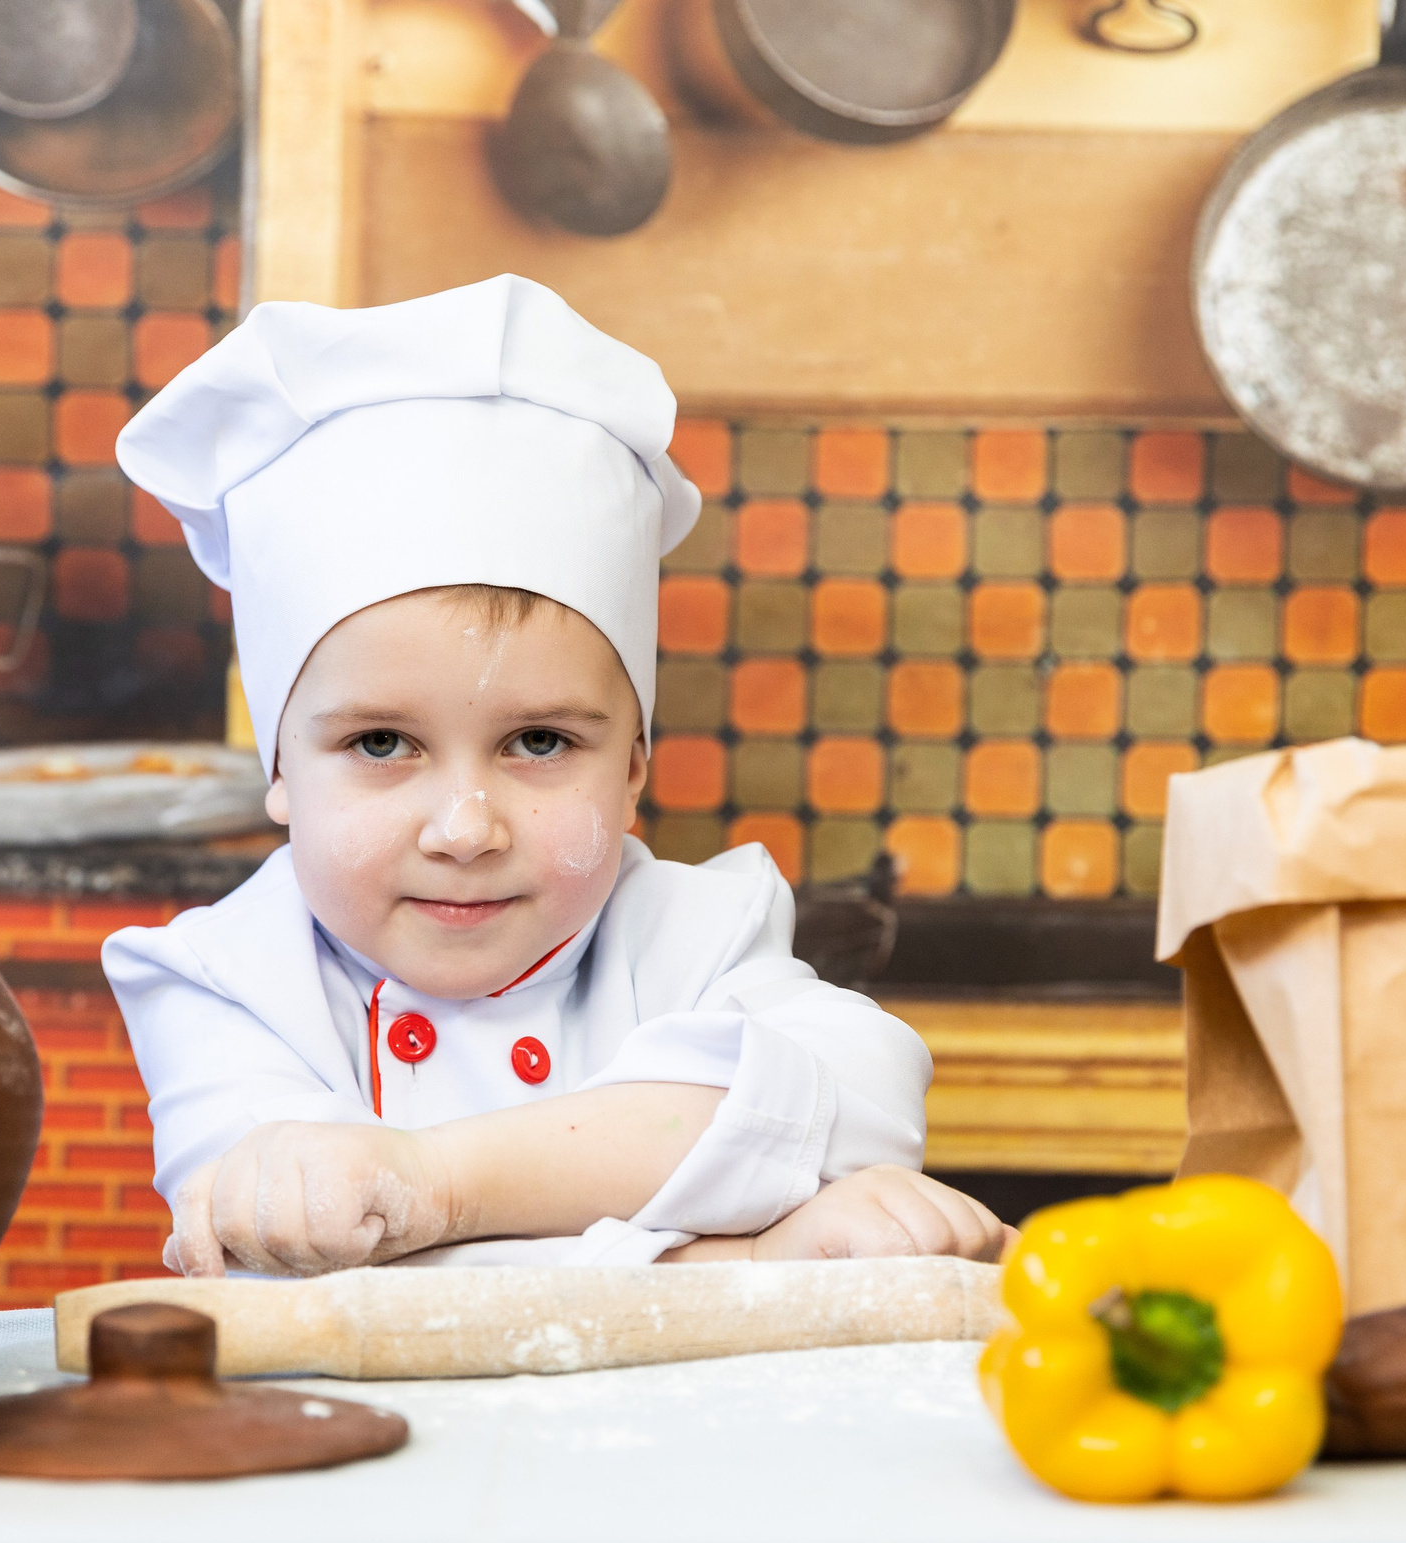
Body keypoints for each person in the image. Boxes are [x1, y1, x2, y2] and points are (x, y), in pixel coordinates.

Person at [104, 274, 1006, 1277]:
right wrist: (737, 1262)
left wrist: (428, 1184)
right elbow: (314, 1267)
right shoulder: (229, 984)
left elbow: (855, 1092)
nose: (464, 828)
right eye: (379, 745)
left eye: (536, 743)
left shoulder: (687, 933)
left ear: (631, 772)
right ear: (279, 766)